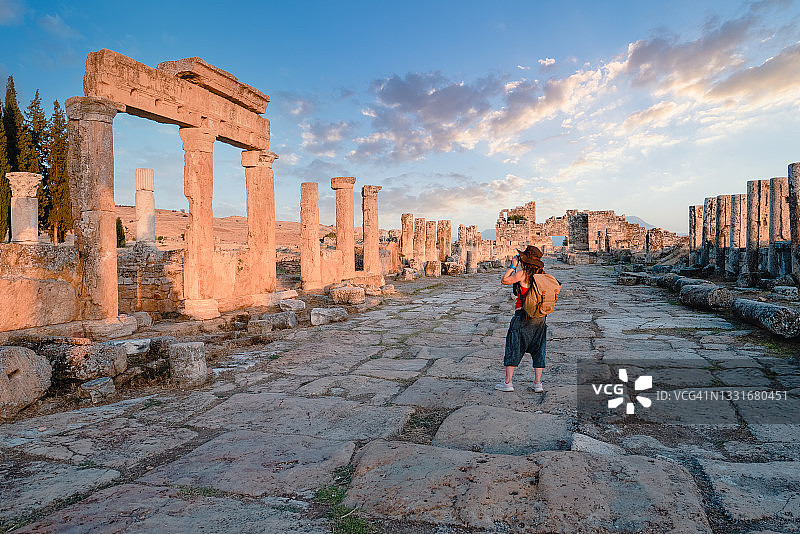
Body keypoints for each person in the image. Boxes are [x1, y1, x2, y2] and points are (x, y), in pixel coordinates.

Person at [495, 245, 547, 393]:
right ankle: (538, 383)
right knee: (539, 348)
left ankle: (508, 382)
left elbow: (504, 280)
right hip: (540, 317)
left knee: (514, 346)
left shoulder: (523, 274)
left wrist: (513, 265)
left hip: (522, 314)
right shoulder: (543, 275)